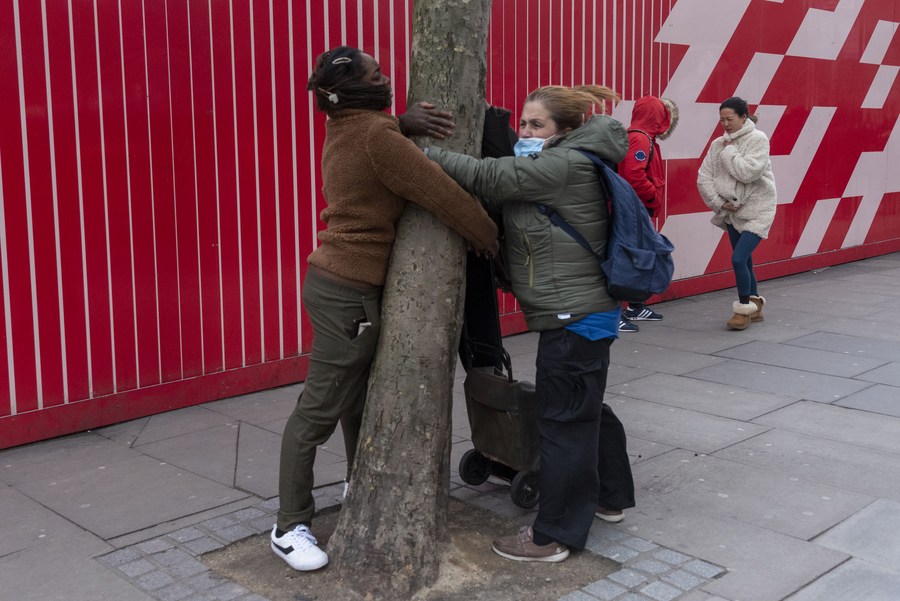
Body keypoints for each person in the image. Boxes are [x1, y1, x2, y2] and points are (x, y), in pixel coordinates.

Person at [272, 46, 499, 572]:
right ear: (354, 93)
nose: (388, 77)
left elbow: (370, 146)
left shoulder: (349, 126)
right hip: (347, 288)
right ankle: (288, 525)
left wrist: (398, 121)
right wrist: (487, 236)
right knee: (320, 408)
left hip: (341, 282)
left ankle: (359, 484)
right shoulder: (375, 135)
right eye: (377, 75)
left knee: (355, 395)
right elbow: (438, 191)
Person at [427, 85, 636, 562]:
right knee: (585, 409)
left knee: (562, 423)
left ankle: (552, 536)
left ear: (564, 130)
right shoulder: (570, 158)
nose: (525, 132)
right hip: (583, 312)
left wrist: (419, 149)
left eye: (536, 125)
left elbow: (485, 174)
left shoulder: (563, 165)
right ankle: (611, 497)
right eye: (522, 123)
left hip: (574, 316)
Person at [697, 96, 776, 330]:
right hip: (730, 212)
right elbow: (704, 177)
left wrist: (729, 153)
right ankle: (755, 306)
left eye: (729, 119)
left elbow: (748, 173)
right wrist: (719, 203)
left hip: (757, 210)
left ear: (744, 117)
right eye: (721, 120)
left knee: (738, 258)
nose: (725, 125)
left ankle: (742, 311)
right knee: (746, 261)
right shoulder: (717, 144)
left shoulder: (757, 139)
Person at [617, 96, 679, 333]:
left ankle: (634, 305)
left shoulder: (638, 137)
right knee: (631, 258)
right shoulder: (641, 139)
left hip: (633, 207)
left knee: (635, 257)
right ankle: (621, 310)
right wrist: (653, 197)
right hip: (636, 208)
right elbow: (635, 175)